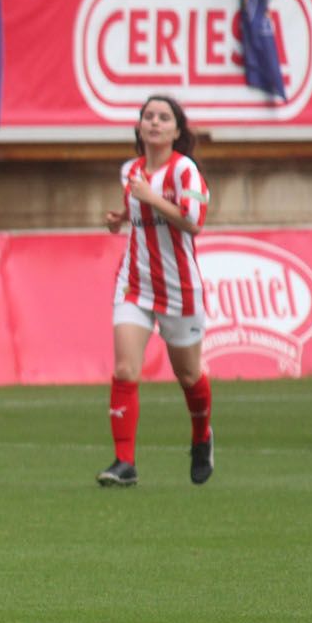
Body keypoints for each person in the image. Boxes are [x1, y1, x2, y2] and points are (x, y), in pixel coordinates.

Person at [98, 95, 213, 488]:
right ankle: (124, 462)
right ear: (139, 126)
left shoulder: (185, 172)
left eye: (164, 118)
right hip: (135, 282)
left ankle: (201, 438)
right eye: (148, 116)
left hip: (179, 288)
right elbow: (136, 210)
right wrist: (121, 218)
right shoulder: (130, 170)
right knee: (125, 369)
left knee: (188, 374)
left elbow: (194, 223)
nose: (154, 123)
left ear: (177, 131)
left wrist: (153, 199)